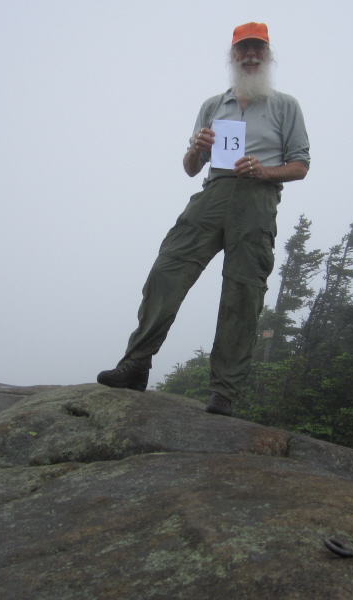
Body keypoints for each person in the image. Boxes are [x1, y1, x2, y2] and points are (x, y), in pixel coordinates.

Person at [97, 22, 310, 417]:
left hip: (258, 197)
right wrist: (196, 148)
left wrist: (265, 171)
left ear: (268, 55)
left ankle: (223, 391)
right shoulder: (214, 105)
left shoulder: (285, 105)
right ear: (233, 55)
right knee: (167, 270)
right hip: (213, 192)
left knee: (242, 292)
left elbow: (300, 165)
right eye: (243, 49)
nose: (250, 55)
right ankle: (136, 364)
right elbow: (191, 168)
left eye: (257, 49)